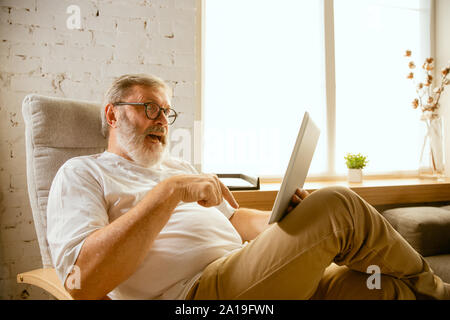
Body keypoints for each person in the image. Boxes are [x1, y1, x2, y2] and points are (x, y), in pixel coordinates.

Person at [46, 74, 450, 300]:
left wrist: (287, 223)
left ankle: (423, 289)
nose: (162, 120)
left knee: (378, 289)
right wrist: (168, 193)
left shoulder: (179, 166)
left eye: (167, 112)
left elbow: (236, 219)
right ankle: (437, 289)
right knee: (339, 206)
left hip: (255, 270)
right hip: (197, 295)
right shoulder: (81, 173)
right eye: (148, 107)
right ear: (112, 115)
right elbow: (84, 281)